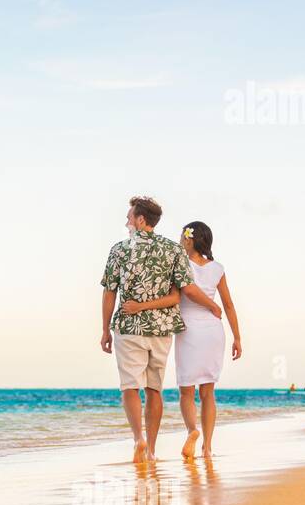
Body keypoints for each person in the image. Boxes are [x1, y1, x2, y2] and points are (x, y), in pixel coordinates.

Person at [100, 195, 220, 464]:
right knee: (155, 389)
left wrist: (105, 330)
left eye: (129, 217)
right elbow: (185, 291)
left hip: (129, 327)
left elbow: (109, 293)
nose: (127, 221)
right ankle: (151, 450)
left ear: (141, 220)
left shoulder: (119, 250)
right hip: (162, 329)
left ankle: (138, 439)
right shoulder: (172, 250)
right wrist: (213, 306)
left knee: (130, 387)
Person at [118, 221, 241, 458]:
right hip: (214, 330)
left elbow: (182, 293)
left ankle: (192, 430)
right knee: (208, 391)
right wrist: (237, 337)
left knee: (187, 391)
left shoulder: (179, 262)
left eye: (182, 237)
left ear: (189, 239)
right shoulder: (218, 268)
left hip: (189, 328)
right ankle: (207, 448)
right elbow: (228, 305)